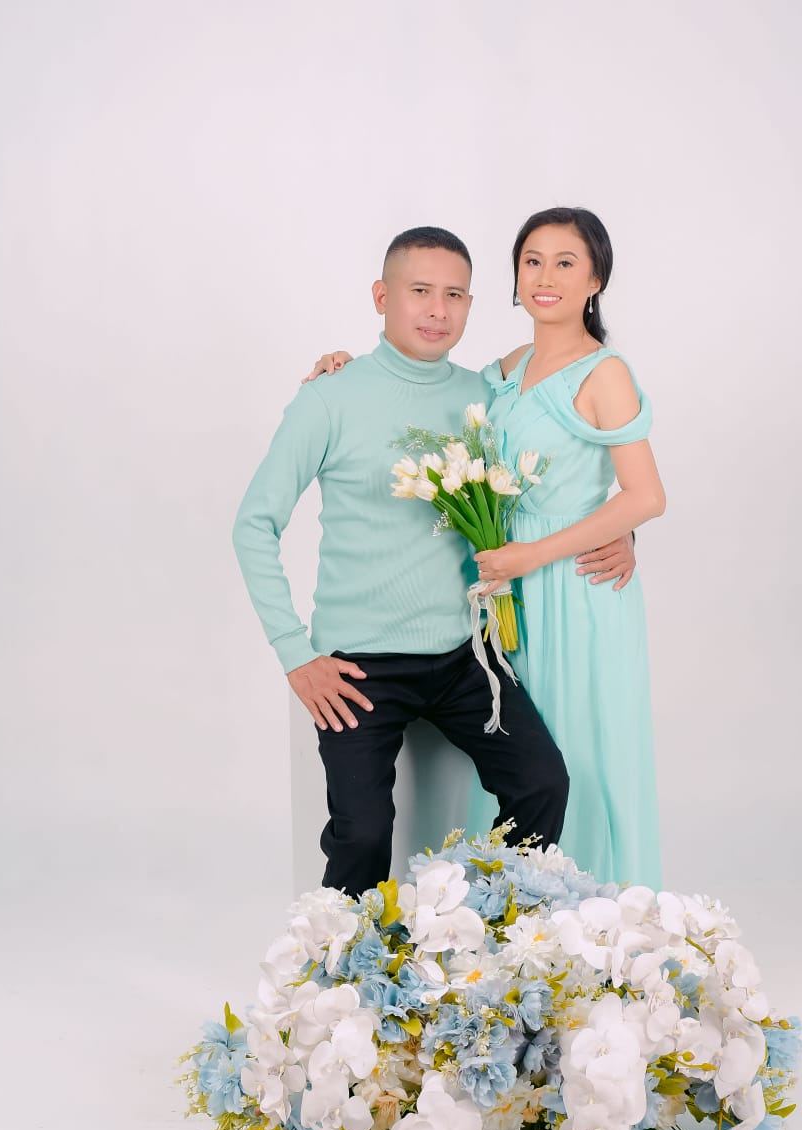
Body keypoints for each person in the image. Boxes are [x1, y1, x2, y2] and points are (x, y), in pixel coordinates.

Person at [306, 208, 666, 888]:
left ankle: (588, 912)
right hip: (498, 593)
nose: (546, 277)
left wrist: (595, 539)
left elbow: (645, 494)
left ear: (596, 279)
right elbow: (424, 390)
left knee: (579, 758)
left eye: (566, 262)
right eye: (533, 261)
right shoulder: (502, 371)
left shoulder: (605, 372)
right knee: (521, 765)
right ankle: (501, 916)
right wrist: (346, 369)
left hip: (572, 589)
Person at [233, 226, 569, 899]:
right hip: (361, 664)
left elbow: (558, 485)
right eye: (420, 291)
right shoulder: (329, 396)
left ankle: (494, 928)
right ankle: (340, 957)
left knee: (542, 782)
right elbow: (254, 525)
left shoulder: (484, 396)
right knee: (362, 834)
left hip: (465, 654)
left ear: (470, 304)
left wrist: (623, 536)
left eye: (455, 295)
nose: (438, 310)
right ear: (382, 297)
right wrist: (296, 654)